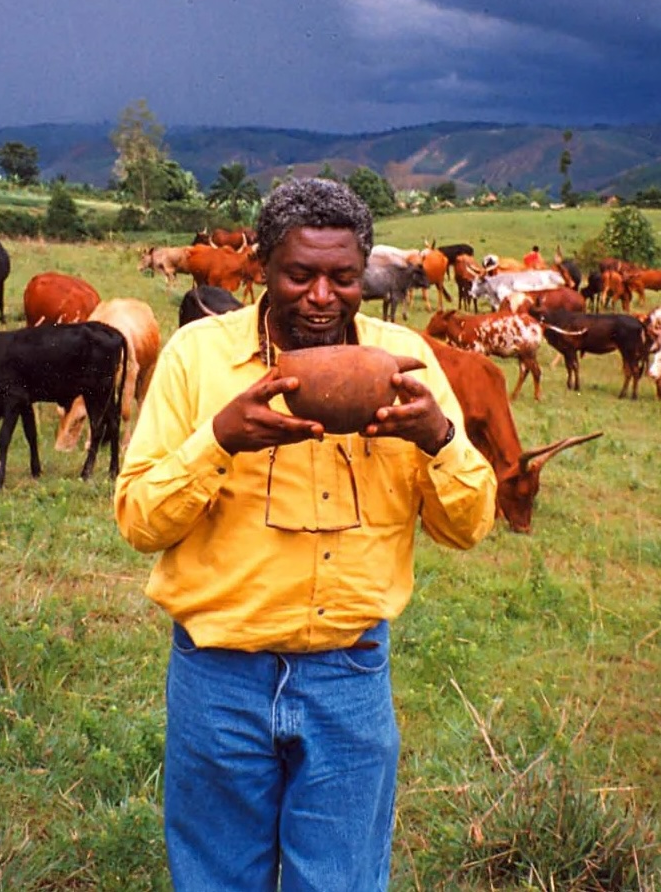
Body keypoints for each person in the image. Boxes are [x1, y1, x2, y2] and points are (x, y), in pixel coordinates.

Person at [114, 177, 497, 891]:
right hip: (218, 676)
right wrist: (219, 438)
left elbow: (467, 528)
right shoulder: (199, 358)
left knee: (341, 881)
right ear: (259, 266)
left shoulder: (405, 360)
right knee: (218, 878)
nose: (322, 296)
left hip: (348, 675)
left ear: (364, 274)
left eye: (342, 278)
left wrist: (438, 437)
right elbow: (139, 519)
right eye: (299, 274)